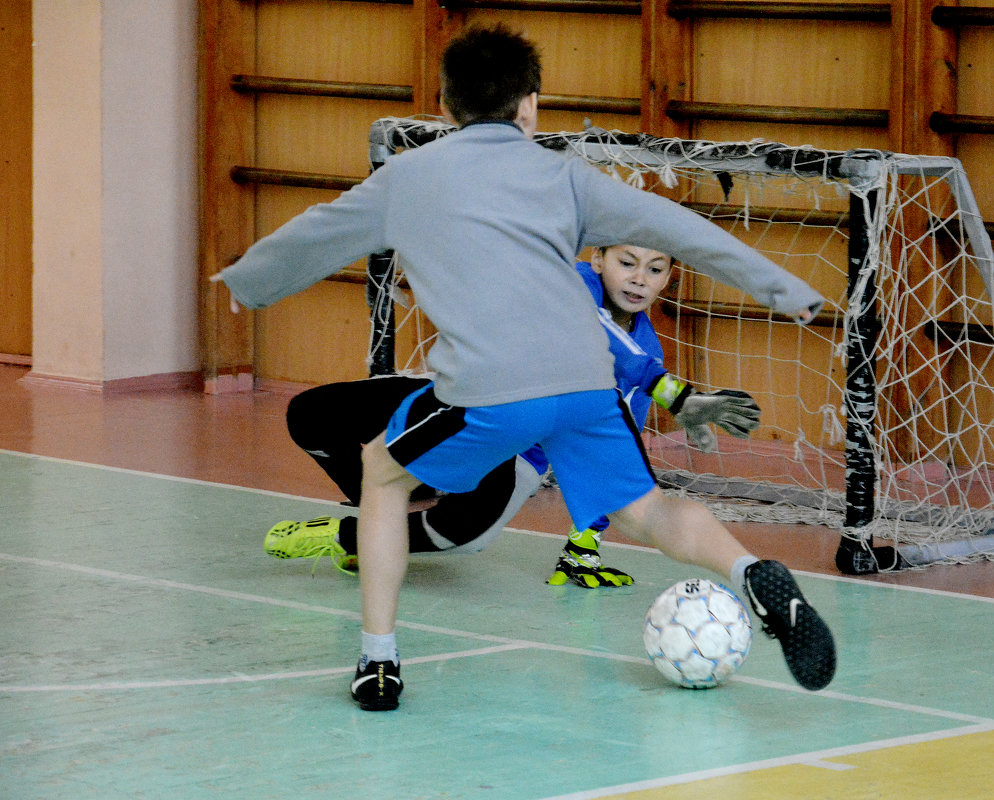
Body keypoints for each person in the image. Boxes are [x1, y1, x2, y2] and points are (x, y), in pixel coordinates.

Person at [213, 22, 835, 712]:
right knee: (648, 509)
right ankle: (752, 570)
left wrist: (248, 283)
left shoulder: (408, 177)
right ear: (530, 105)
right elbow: (677, 229)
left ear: (445, 107)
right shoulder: (565, 176)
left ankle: (379, 661)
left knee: (382, 473)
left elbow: (315, 232)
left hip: (488, 388)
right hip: (585, 380)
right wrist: (789, 292)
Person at [264, 245, 762, 588]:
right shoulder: (572, 286)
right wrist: (672, 391)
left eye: (655, 269)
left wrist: (584, 546)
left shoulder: (646, 353)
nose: (638, 278)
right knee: (310, 414)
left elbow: (614, 460)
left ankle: (345, 535)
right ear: (598, 260)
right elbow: (596, 332)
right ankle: (389, 504)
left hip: (520, 452)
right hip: (462, 405)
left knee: (461, 538)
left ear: (669, 277)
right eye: (627, 262)